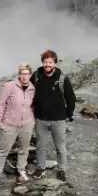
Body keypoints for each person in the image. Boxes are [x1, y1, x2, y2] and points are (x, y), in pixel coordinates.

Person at [31, 50, 76, 181]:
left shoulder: (62, 78)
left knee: (60, 146)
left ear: (55, 63)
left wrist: (68, 114)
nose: (47, 65)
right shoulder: (37, 75)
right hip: (41, 119)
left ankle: (62, 170)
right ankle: (41, 168)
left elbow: (71, 98)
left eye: (50, 62)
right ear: (42, 62)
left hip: (58, 120)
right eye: (45, 62)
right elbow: (29, 92)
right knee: (40, 145)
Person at [0, 64, 35, 185]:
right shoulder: (10, 86)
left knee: (24, 149)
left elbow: (33, 106)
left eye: (27, 74)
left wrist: (32, 122)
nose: (24, 76)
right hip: (10, 124)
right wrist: (0, 122)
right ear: (19, 75)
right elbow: (1, 103)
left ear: (30, 75)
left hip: (27, 124)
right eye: (22, 73)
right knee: (3, 150)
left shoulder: (32, 88)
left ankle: (21, 169)